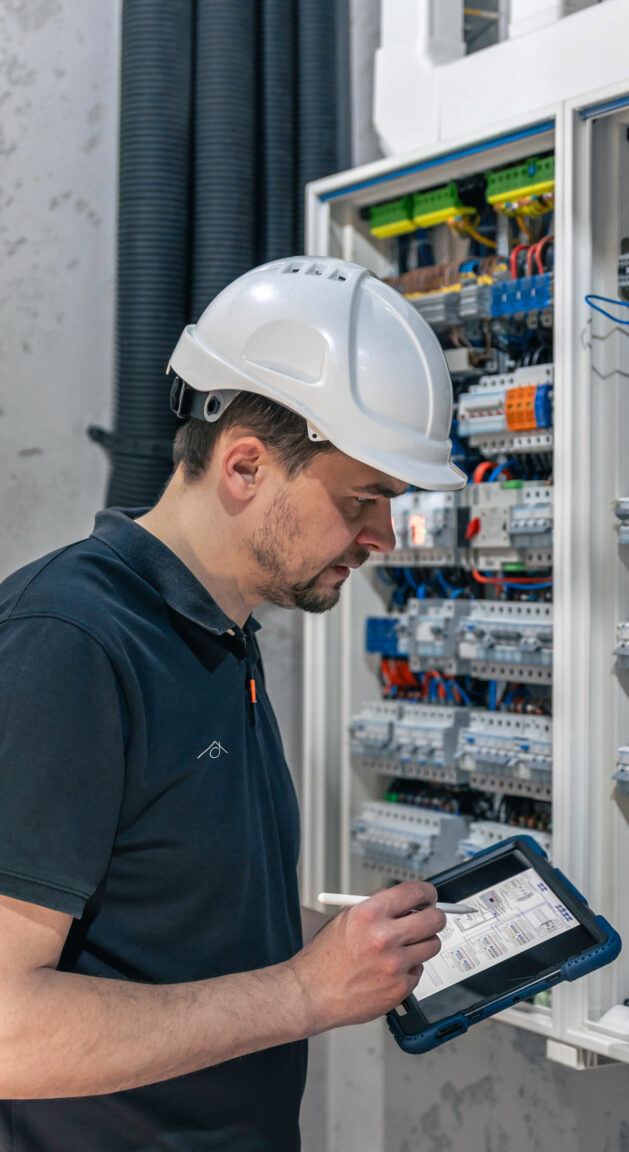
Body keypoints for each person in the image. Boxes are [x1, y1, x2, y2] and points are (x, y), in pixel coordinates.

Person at [0, 257, 467, 1151]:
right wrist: (305, 992)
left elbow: (169, 921)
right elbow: (7, 1029)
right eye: (363, 498)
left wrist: (350, 952)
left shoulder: (221, 635)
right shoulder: (68, 644)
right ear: (246, 464)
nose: (381, 536)